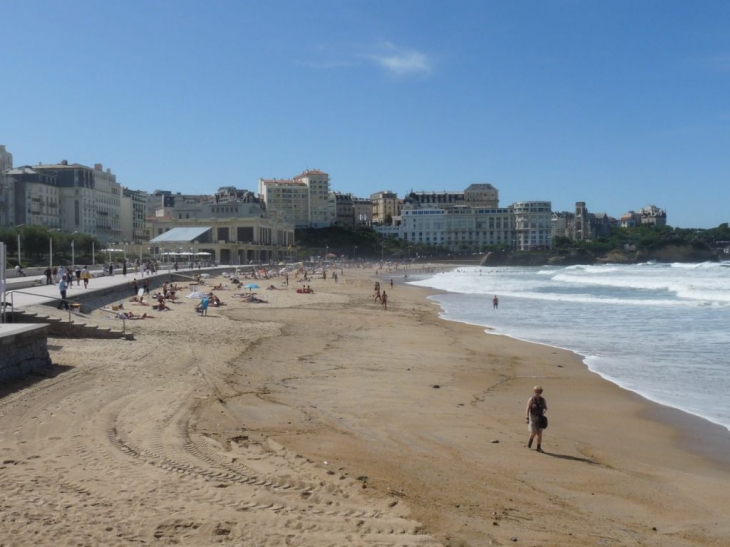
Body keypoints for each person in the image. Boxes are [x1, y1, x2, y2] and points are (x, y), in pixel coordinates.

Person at [525, 386, 547, 453]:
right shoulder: (531, 399)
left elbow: (545, 407)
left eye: (539, 391)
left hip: (540, 418)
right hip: (532, 417)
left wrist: (544, 410)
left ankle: (538, 447)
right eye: (536, 391)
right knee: (533, 432)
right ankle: (530, 440)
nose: (537, 393)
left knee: (539, 433)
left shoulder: (542, 400)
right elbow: (527, 408)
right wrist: (527, 417)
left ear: (540, 392)